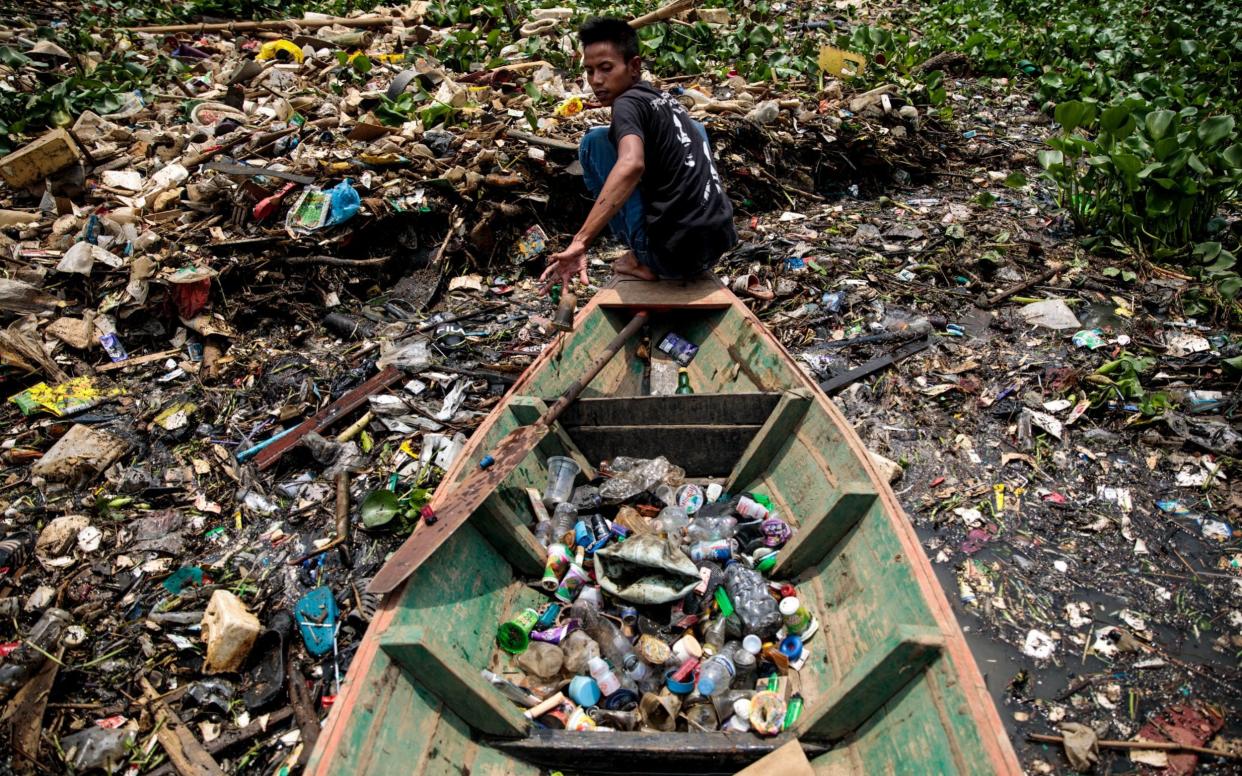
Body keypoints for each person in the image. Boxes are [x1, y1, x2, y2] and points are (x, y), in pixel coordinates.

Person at [540, 17, 737, 288]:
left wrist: (580, 241)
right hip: (717, 245)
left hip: (670, 259)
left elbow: (632, 164)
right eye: (589, 71)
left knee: (594, 142)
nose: (596, 81)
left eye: (606, 68)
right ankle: (656, 246)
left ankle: (639, 257)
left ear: (634, 66)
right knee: (694, 129)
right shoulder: (666, 101)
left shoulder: (626, 104)